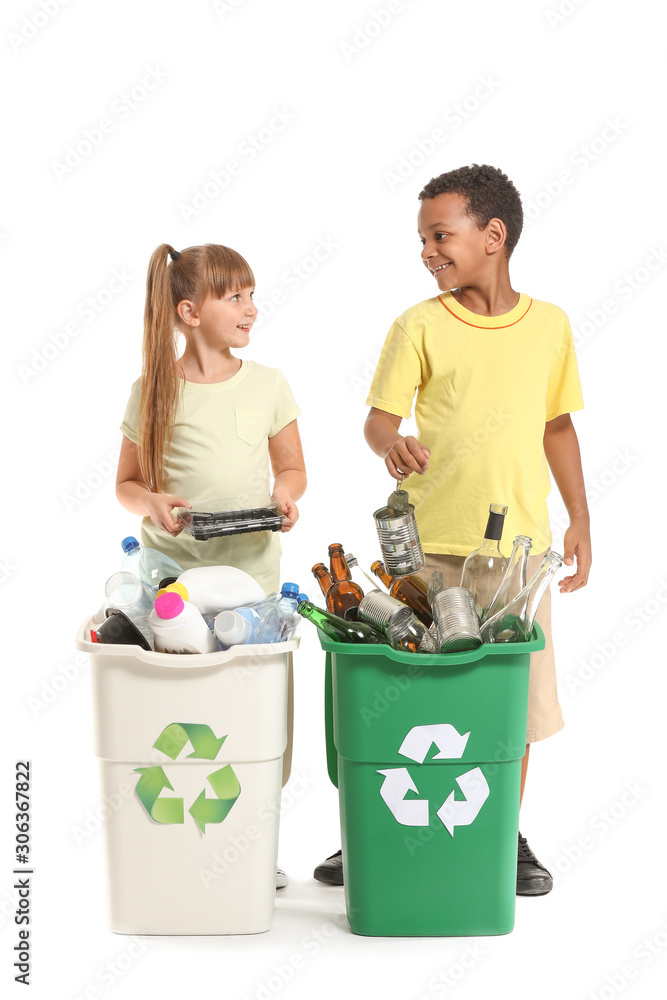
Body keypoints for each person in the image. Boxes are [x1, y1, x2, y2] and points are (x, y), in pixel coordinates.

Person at [314, 164, 591, 895]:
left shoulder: (550, 326)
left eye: (440, 235)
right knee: (404, 693)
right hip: (427, 546)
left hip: (519, 554)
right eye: (422, 239)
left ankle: (500, 830)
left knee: (510, 703)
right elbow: (378, 420)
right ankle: (380, 826)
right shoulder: (419, 324)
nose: (427, 251)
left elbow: (557, 426)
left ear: (491, 236)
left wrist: (581, 520)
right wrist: (389, 445)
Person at [116, 242, 307, 889]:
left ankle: (249, 851)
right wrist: (152, 502)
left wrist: (285, 496)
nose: (251, 308)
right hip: (172, 580)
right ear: (190, 312)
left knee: (255, 720)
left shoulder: (268, 384)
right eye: (236, 297)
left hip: (250, 579)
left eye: (251, 294)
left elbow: (291, 467)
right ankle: (180, 848)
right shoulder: (153, 389)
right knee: (181, 714)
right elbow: (126, 484)